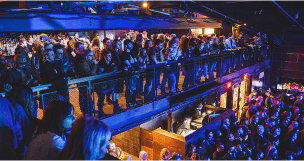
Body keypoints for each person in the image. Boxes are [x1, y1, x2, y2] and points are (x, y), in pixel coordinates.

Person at [96, 50, 118, 117]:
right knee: (101, 96)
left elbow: (115, 68)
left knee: (114, 92)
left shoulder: (111, 61)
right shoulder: (101, 63)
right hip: (102, 83)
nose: (110, 57)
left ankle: (116, 106)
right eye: (108, 55)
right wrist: (109, 71)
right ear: (105, 56)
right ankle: (100, 111)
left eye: (110, 55)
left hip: (110, 81)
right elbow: (101, 72)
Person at [78, 50, 97, 115]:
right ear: (86, 56)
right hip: (84, 84)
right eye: (90, 56)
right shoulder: (83, 64)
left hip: (89, 84)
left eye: (92, 56)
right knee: (86, 98)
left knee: (89, 97)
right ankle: (86, 112)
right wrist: (95, 65)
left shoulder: (88, 62)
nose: (92, 57)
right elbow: (91, 74)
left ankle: (90, 110)